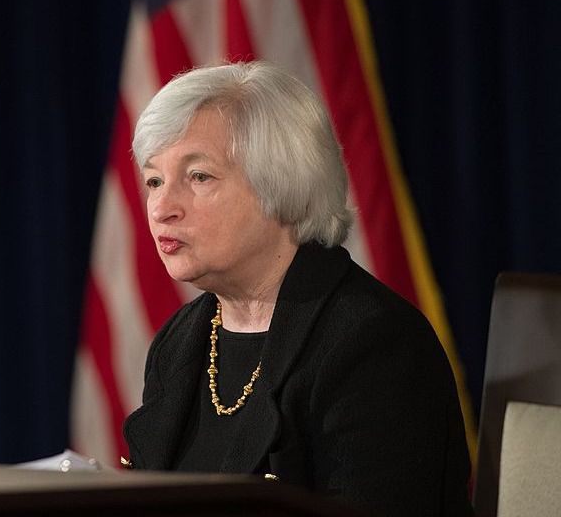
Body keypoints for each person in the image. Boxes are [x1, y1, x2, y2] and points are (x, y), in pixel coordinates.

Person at [122, 61, 472, 516]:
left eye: (198, 176)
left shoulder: (374, 345)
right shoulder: (179, 342)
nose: (161, 208)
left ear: (282, 181)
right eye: (154, 180)